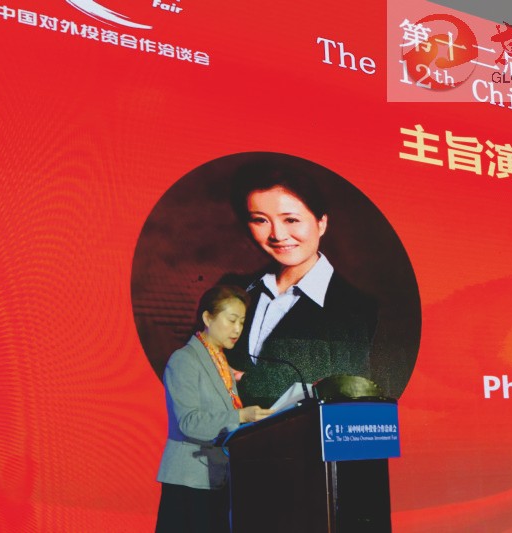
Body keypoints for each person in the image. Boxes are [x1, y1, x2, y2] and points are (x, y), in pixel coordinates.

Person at [226, 159, 378, 407]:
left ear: (321, 223)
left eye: (291, 220)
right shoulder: (234, 288)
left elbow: (343, 394)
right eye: (260, 220)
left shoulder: (359, 309)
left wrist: (244, 381)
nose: (277, 235)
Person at [155, 285, 272, 533]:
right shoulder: (184, 359)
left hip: (217, 479)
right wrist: (241, 415)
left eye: (242, 322)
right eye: (232, 320)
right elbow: (189, 422)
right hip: (189, 482)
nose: (238, 329)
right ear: (207, 318)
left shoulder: (221, 364)